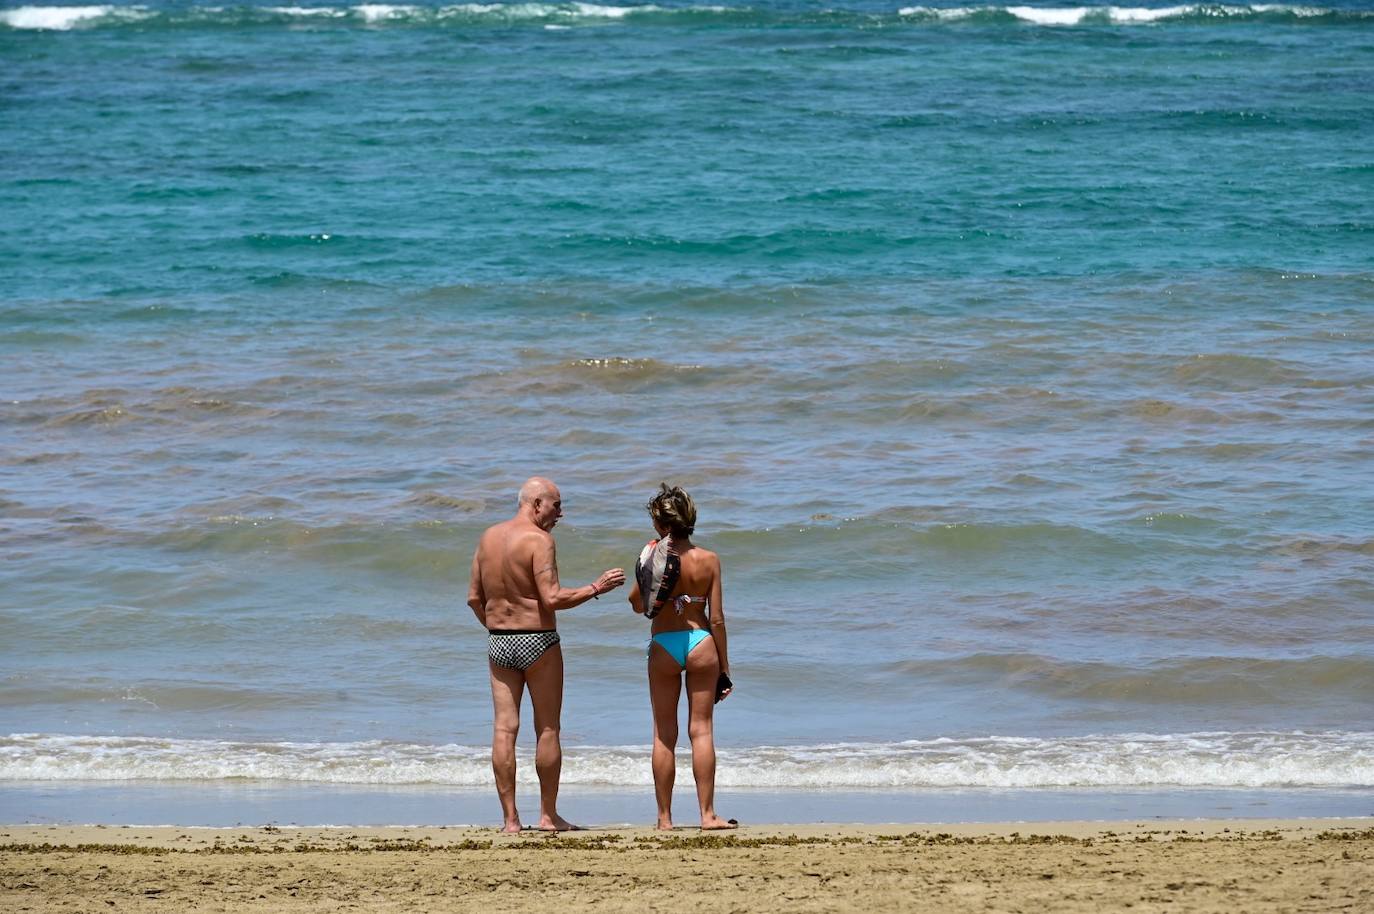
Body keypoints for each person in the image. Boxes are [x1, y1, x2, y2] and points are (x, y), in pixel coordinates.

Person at [467, 476, 625, 832]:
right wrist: (596, 587)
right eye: (556, 505)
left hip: (499, 642)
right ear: (536, 504)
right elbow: (552, 598)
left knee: (504, 729)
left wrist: (498, 628)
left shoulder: (487, 538)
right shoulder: (540, 540)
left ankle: (510, 821)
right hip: (538, 641)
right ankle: (548, 815)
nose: (560, 513)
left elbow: (474, 599)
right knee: (548, 728)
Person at [629, 483, 736, 830]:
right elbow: (717, 618)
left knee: (664, 734)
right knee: (701, 731)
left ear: (660, 524)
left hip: (663, 643)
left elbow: (636, 604)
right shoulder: (709, 559)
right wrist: (725, 666)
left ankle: (664, 819)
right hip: (701, 642)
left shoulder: (652, 555)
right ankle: (707, 815)